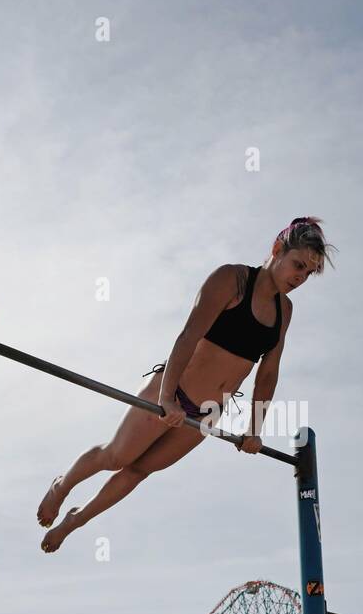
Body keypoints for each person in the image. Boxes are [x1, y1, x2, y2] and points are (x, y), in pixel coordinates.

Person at [35, 219, 337, 553]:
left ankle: (76, 520)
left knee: (139, 471)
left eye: (308, 274)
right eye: (298, 265)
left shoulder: (285, 310)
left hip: (207, 414)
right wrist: (167, 397)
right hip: (172, 390)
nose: (300, 277)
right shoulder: (232, 279)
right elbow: (189, 334)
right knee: (116, 456)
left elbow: (268, 373)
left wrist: (254, 429)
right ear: (277, 250)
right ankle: (61, 486)